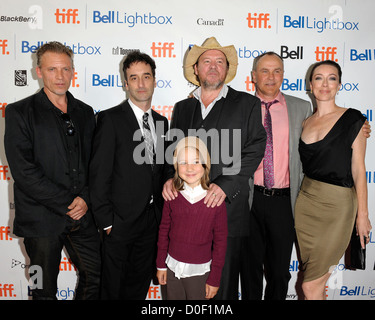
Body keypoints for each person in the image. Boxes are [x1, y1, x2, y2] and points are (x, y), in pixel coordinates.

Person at [162, 37, 267, 300]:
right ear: (195, 69)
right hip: (186, 217)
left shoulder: (247, 104)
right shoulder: (183, 108)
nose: (213, 66)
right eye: (206, 61)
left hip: (229, 212)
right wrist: (167, 179)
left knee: (221, 288)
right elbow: (172, 152)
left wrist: (227, 184)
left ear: (227, 69)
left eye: (219, 61)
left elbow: (256, 146)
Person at [4, 41, 101, 300]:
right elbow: (24, 172)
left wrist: (86, 199)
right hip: (40, 221)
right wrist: (69, 201)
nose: (60, 76)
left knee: (97, 277)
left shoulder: (85, 112)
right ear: (39, 71)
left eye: (66, 69)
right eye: (52, 69)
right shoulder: (18, 112)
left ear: (72, 71)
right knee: (42, 291)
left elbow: (96, 164)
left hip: (82, 216)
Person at [89, 51, 169, 300]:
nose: (141, 83)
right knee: (112, 291)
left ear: (155, 80)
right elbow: (99, 174)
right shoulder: (109, 119)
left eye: (146, 76)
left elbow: (163, 170)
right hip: (119, 224)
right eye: (134, 78)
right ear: (125, 84)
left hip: (152, 223)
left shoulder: (162, 123)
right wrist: (108, 222)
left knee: (138, 288)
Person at [294, 60, 372, 300]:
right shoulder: (305, 122)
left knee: (309, 286)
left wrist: (363, 216)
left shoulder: (354, 120)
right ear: (310, 84)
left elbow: (359, 170)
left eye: (331, 78)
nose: (325, 84)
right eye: (319, 78)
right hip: (306, 205)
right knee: (316, 283)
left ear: (339, 84)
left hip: (338, 207)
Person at [247, 52, 312, 300]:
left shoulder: (301, 107)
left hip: (285, 202)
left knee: (279, 272)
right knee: (250, 269)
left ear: (283, 75)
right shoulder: (242, 106)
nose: (271, 77)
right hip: (250, 200)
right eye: (264, 71)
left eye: (277, 71)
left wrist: (355, 126)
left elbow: (321, 136)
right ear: (254, 76)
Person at [156, 137, 228, 300]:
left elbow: (221, 242)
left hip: (200, 273)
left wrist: (215, 279)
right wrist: (161, 264)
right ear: (176, 166)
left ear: (205, 165)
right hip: (172, 270)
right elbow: (163, 231)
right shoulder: (172, 195)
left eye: (196, 161)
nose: (189, 168)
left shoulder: (215, 200)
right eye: (183, 162)